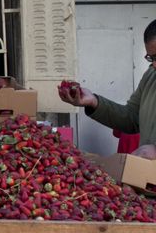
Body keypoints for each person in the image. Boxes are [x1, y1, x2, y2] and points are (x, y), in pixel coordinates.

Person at [58, 19, 156, 159]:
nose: (154, 64)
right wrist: (94, 102)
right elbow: (131, 117)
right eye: (151, 58)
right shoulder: (151, 76)